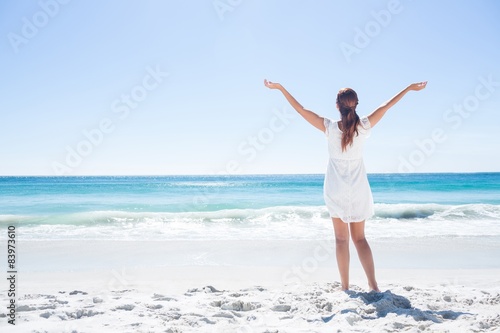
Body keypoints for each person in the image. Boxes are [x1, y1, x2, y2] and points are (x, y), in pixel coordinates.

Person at [264, 79, 427, 291]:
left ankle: (345, 286)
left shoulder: (329, 128)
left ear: (337, 106)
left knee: (341, 240)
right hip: (358, 187)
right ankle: (373, 285)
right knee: (360, 239)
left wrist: (280, 88)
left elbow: (300, 109)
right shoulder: (363, 126)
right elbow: (386, 106)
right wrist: (408, 88)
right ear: (356, 104)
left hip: (335, 188)